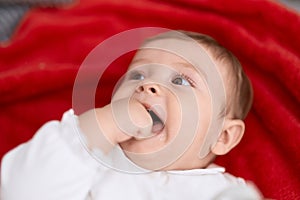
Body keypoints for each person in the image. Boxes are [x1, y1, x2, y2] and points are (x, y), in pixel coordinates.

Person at [0, 30, 262, 199]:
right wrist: (98, 127)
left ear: (223, 136)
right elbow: (20, 192)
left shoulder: (220, 193)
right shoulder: (90, 162)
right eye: (137, 74)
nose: (147, 86)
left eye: (182, 81)